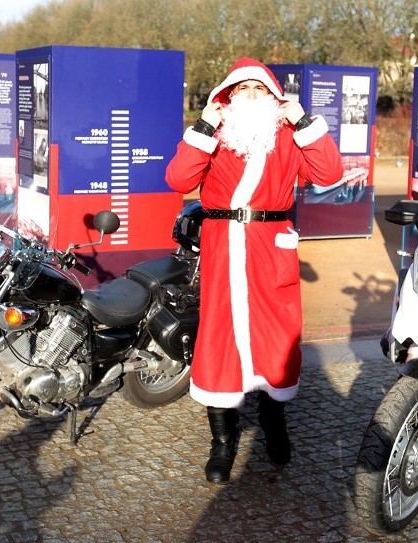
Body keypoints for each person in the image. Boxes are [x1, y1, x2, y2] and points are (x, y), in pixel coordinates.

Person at [165, 57, 343, 484]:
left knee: (276, 337)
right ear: (226, 96)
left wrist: (304, 122)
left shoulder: (288, 136)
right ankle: (222, 442)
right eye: (241, 89)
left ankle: (273, 420)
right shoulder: (215, 137)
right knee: (220, 338)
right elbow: (177, 179)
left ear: (274, 97)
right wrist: (204, 129)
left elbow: (330, 173)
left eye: (258, 89)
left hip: (271, 247)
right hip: (224, 245)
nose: (249, 96)